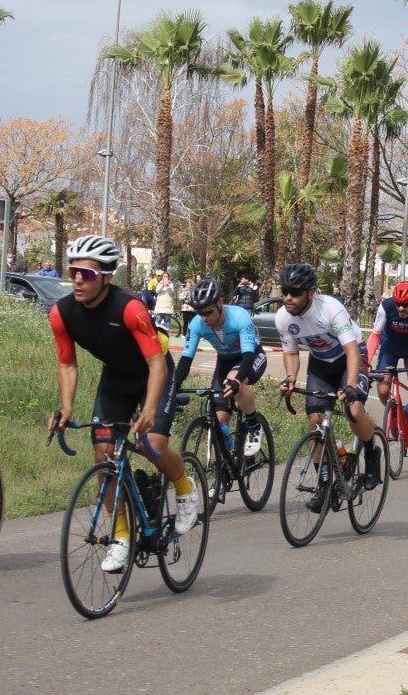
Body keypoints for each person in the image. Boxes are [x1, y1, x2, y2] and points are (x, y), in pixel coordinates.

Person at [47, 236, 197, 573]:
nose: (77, 279)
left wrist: (148, 411)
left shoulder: (129, 308)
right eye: (73, 271)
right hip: (116, 379)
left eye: (86, 273)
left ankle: (185, 489)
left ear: (106, 276)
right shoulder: (61, 313)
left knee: (151, 443)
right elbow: (67, 364)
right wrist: (66, 408)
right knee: (103, 454)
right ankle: (121, 537)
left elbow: (157, 364)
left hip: (153, 373)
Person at [274, 262, 382, 510]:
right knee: (314, 419)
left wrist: (352, 384)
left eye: (295, 293)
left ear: (310, 292)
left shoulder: (330, 309)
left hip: (351, 357)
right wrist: (291, 378)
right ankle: (324, 482)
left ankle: (371, 452)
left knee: (353, 410)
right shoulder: (283, 317)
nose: (288, 297)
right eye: (285, 291)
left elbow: (351, 349)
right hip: (321, 363)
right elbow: (290, 353)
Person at [173, 278, 267, 459]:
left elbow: (248, 357)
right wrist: (173, 386)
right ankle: (223, 471)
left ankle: (254, 425)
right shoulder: (197, 324)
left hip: (251, 356)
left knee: (234, 382)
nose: (204, 318)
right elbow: (185, 360)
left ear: (220, 303)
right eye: (200, 313)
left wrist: (237, 381)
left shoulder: (240, 317)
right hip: (224, 361)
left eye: (208, 312)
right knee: (219, 421)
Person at [366, 281, 408, 464]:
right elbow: (375, 335)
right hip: (390, 348)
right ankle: (395, 413)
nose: (401, 308)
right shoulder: (387, 306)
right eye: (398, 304)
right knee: (382, 389)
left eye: (405, 305)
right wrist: (366, 362)